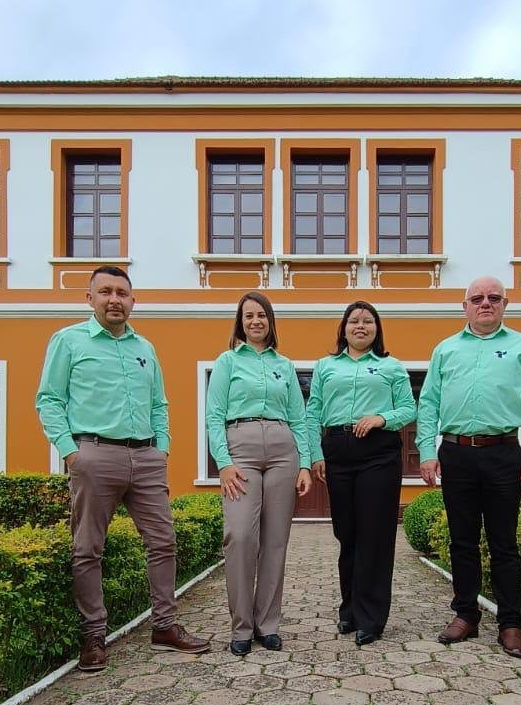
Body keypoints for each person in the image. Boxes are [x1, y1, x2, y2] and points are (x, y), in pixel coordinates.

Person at [36, 265, 210, 672]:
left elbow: (159, 404)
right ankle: (93, 636)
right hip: (94, 455)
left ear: (133, 300)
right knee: (88, 548)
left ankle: (164, 626)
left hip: (147, 458)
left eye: (122, 293)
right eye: (106, 292)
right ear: (90, 298)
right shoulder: (68, 341)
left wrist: (161, 449)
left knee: (163, 541)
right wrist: (70, 451)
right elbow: (49, 400)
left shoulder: (144, 347)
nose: (115, 299)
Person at [416, 276, 521, 658]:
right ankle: (465, 614)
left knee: (504, 543)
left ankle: (510, 623)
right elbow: (428, 404)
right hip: (457, 453)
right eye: (477, 298)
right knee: (462, 541)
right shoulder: (445, 350)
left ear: (505, 303)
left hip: (504, 452)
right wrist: (427, 450)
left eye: (494, 298)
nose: (485, 303)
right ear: (465, 306)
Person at [205, 291, 311, 655]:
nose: (255, 322)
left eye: (261, 315)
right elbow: (214, 415)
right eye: (249, 316)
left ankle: (268, 624)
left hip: (283, 450)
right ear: (241, 322)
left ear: (270, 321)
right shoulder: (226, 362)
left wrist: (304, 463)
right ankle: (241, 626)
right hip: (241, 449)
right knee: (239, 535)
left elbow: (299, 416)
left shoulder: (284, 364)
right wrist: (223, 462)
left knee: (276, 540)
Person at [306, 301, 416, 646]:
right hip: (338, 451)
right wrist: (314, 454)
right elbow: (313, 412)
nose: (360, 326)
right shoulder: (325, 367)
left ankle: (372, 617)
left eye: (368, 321)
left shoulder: (391, 366)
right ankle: (350, 609)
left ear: (376, 329)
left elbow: (409, 408)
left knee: (375, 536)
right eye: (353, 320)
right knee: (348, 534)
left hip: (378, 454)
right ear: (343, 329)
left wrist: (382, 418)